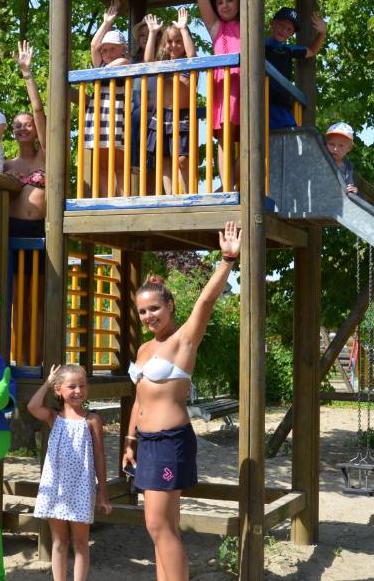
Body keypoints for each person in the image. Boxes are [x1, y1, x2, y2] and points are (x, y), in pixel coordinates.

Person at [122, 221, 241, 581]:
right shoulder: (144, 348)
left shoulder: (183, 341)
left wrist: (227, 260)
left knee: (158, 525)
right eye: (143, 312)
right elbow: (139, 398)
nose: (148, 316)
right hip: (147, 443)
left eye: (155, 308)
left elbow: (205, 301)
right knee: (163, 527)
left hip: (171, 442)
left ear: (170, 305)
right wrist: (130, 441)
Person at [28, 364, 111, 581]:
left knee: (81, 542)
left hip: (82, 488)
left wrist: (103, 491)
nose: (78, 391)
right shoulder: (53, 417)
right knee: (59, 541)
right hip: (56, 488)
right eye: (71, 386)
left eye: (82, 385)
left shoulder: (92, 420)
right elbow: (32, 406)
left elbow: (100, 457)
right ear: (59, 390)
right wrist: (47, 382)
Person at [196, 0, 242, 191]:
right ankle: (227, 187)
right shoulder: (216, 28)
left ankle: (238, 183)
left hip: (244, 86)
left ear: (239, 2)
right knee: (224, 139)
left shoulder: (246, 22)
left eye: (230, 0)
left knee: (247, 140)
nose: (224, 6)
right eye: (220, 2)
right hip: (224, 87)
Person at [143, 9, 197, 194]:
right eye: (169, 42)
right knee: (164, 158)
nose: (174, 45)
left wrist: (183, 29)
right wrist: (152, 33)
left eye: (178, 41)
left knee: (182, 159)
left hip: (182, 115)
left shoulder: (189, 66)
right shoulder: (163, 65)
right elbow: (148, 60)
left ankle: (186, 193)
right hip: (163, 115)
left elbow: (191, 55)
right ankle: (171, 195)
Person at [84, 0, 131, 196]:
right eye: (105, 50)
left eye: (112, 48)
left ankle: (122, 198)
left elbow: (119, 63)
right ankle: (106, 198)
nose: (107, 53)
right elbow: (94, 46)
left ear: (123, 48)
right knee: (102, 165)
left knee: (119, 163)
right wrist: (107, 22)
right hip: (99, 117)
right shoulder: (101, 65)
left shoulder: (125, 61)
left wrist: (97, 73)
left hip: (117, 116)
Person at [4, 40, 47, 240]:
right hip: (11, 228)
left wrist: (26, 72)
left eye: (28, 125)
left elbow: (38, 110)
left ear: (37, 131)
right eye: (17, 125)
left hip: (40, 229)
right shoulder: (6, 164)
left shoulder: (45, 155)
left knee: (38, 273)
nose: (22, 128)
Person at [265, 6, 327, 129]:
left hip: (282, 105)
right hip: (262, 101)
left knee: (291, 136)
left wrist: (322, 33)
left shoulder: (288, 50)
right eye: (282, 25)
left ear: (292, 34)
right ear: (272, 23)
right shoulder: (259, 45)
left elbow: (311, 51)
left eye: (289, 29)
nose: (284, 31)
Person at [325, 122, 359, 194]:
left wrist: (354, 191)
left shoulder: (348, 168)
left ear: (349, 148)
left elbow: (350, 188)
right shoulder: (319, 159)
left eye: (341, 145)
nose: (335, 149)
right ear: (326, 143)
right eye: (331, 144)